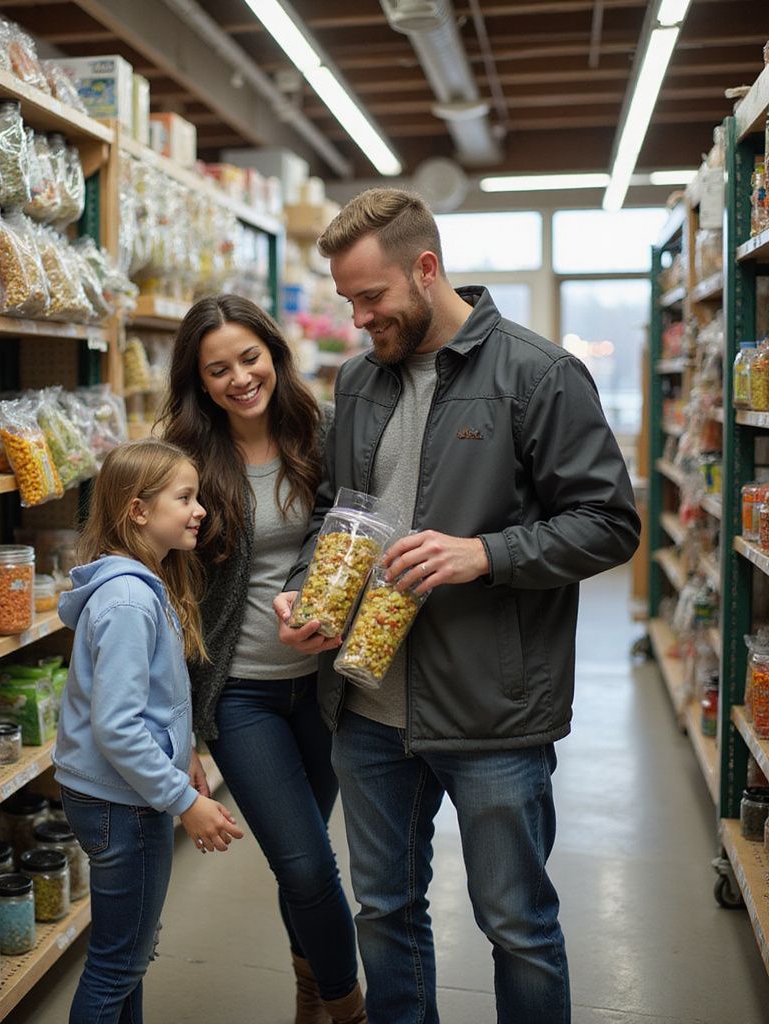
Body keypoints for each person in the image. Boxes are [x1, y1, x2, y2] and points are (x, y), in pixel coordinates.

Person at [274, 188, 641, 1024]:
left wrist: (485, 554)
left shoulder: (537, 372)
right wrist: (304, 585)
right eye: (348, 301)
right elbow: (339, 507)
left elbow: (610, 524)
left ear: (427, 269)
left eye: (372, 297)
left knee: (517, 926)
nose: (361, 318)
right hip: (367, 704)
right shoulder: (360, 379)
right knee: (387, 913)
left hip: (492, 709)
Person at [158, 294, 366, 1024]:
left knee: (298, 857)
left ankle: (310, 992)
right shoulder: (185, 461)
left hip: (327, 689)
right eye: (218, 369)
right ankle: (350, 1011)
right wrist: (178, 729)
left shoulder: (325, 433)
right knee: (307, 863)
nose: (240, 378)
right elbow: (171, 599)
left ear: (275, 354)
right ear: (199, 380)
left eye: (250, 358)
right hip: (240, 695)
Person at [54, 438, 245, 1024]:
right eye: (185, 498)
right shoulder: (131, 602)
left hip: (118, 795)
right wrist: (183, 800)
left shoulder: (140, 584)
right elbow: (117, 728)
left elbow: (150, 697)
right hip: (124, 803)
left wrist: (181, 750)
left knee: (129, 958)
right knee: (117, 964)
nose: (200, 511)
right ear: (138, 510)